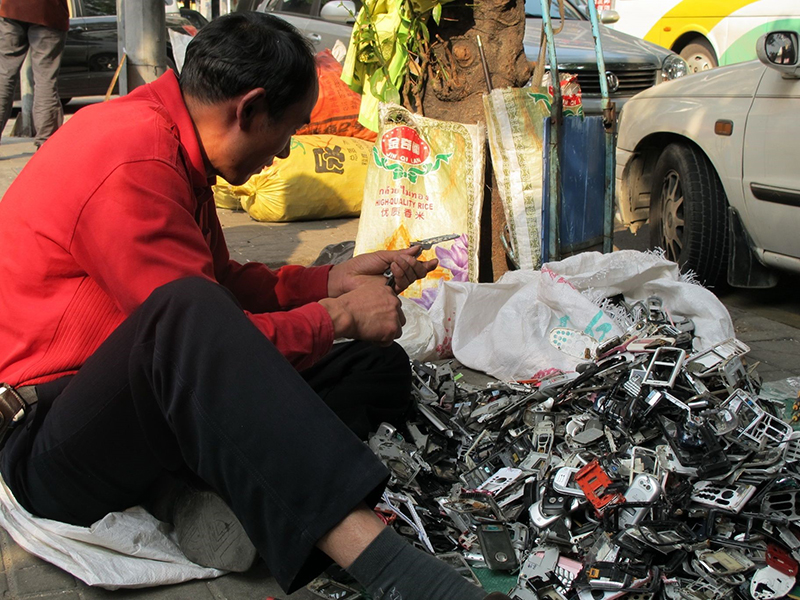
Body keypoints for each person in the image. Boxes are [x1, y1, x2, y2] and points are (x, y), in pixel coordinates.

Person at [0, 11, 508, 600]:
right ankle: (399, 575)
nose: (284, 151)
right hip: (51, 436)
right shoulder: (131, 157)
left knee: (377, 366)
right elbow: (199, 335)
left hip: (150, 407)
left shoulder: (174, 140)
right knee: (189, 312)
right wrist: (339, 317)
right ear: (249, 109)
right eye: (287, 131)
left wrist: (331, 281)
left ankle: (208, 493)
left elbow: (225, 284)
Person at [0, 0, 69, 147]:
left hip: (11, 9)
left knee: (4, 77)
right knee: (45, 80)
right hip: (49, 12)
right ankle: (46, 144)